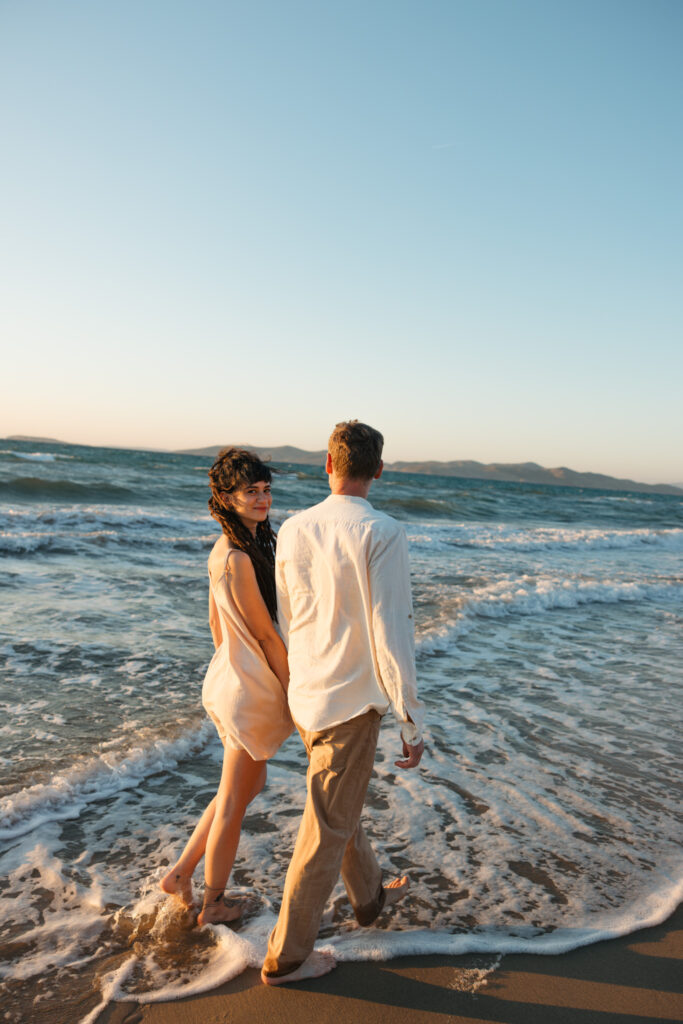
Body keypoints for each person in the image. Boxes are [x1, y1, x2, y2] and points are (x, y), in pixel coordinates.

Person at [261, 420, 425, 985]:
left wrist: (297, 684)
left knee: (336, 811)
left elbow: (290, 616)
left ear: (327, 465)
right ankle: (287, 957)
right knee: (325, 827)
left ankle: (370, 897)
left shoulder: (295, 526)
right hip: (352, 701)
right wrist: (411, 717)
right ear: (377, 469)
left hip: (307, 694)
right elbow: (391, 632)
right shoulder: (384, 531)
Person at [160, 448, 292, 925]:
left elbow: (217, 625)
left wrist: (232, 666)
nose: (262, 500)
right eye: (250, 492)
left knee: (244, 785)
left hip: (232, 679)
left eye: (265, 490)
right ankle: (213, 904)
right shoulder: (237, 557)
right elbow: (265, 635)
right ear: (225, 497)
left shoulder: (228, 548)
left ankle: (181, 874)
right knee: (235, 799)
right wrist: (294, 692)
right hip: (248, 689)